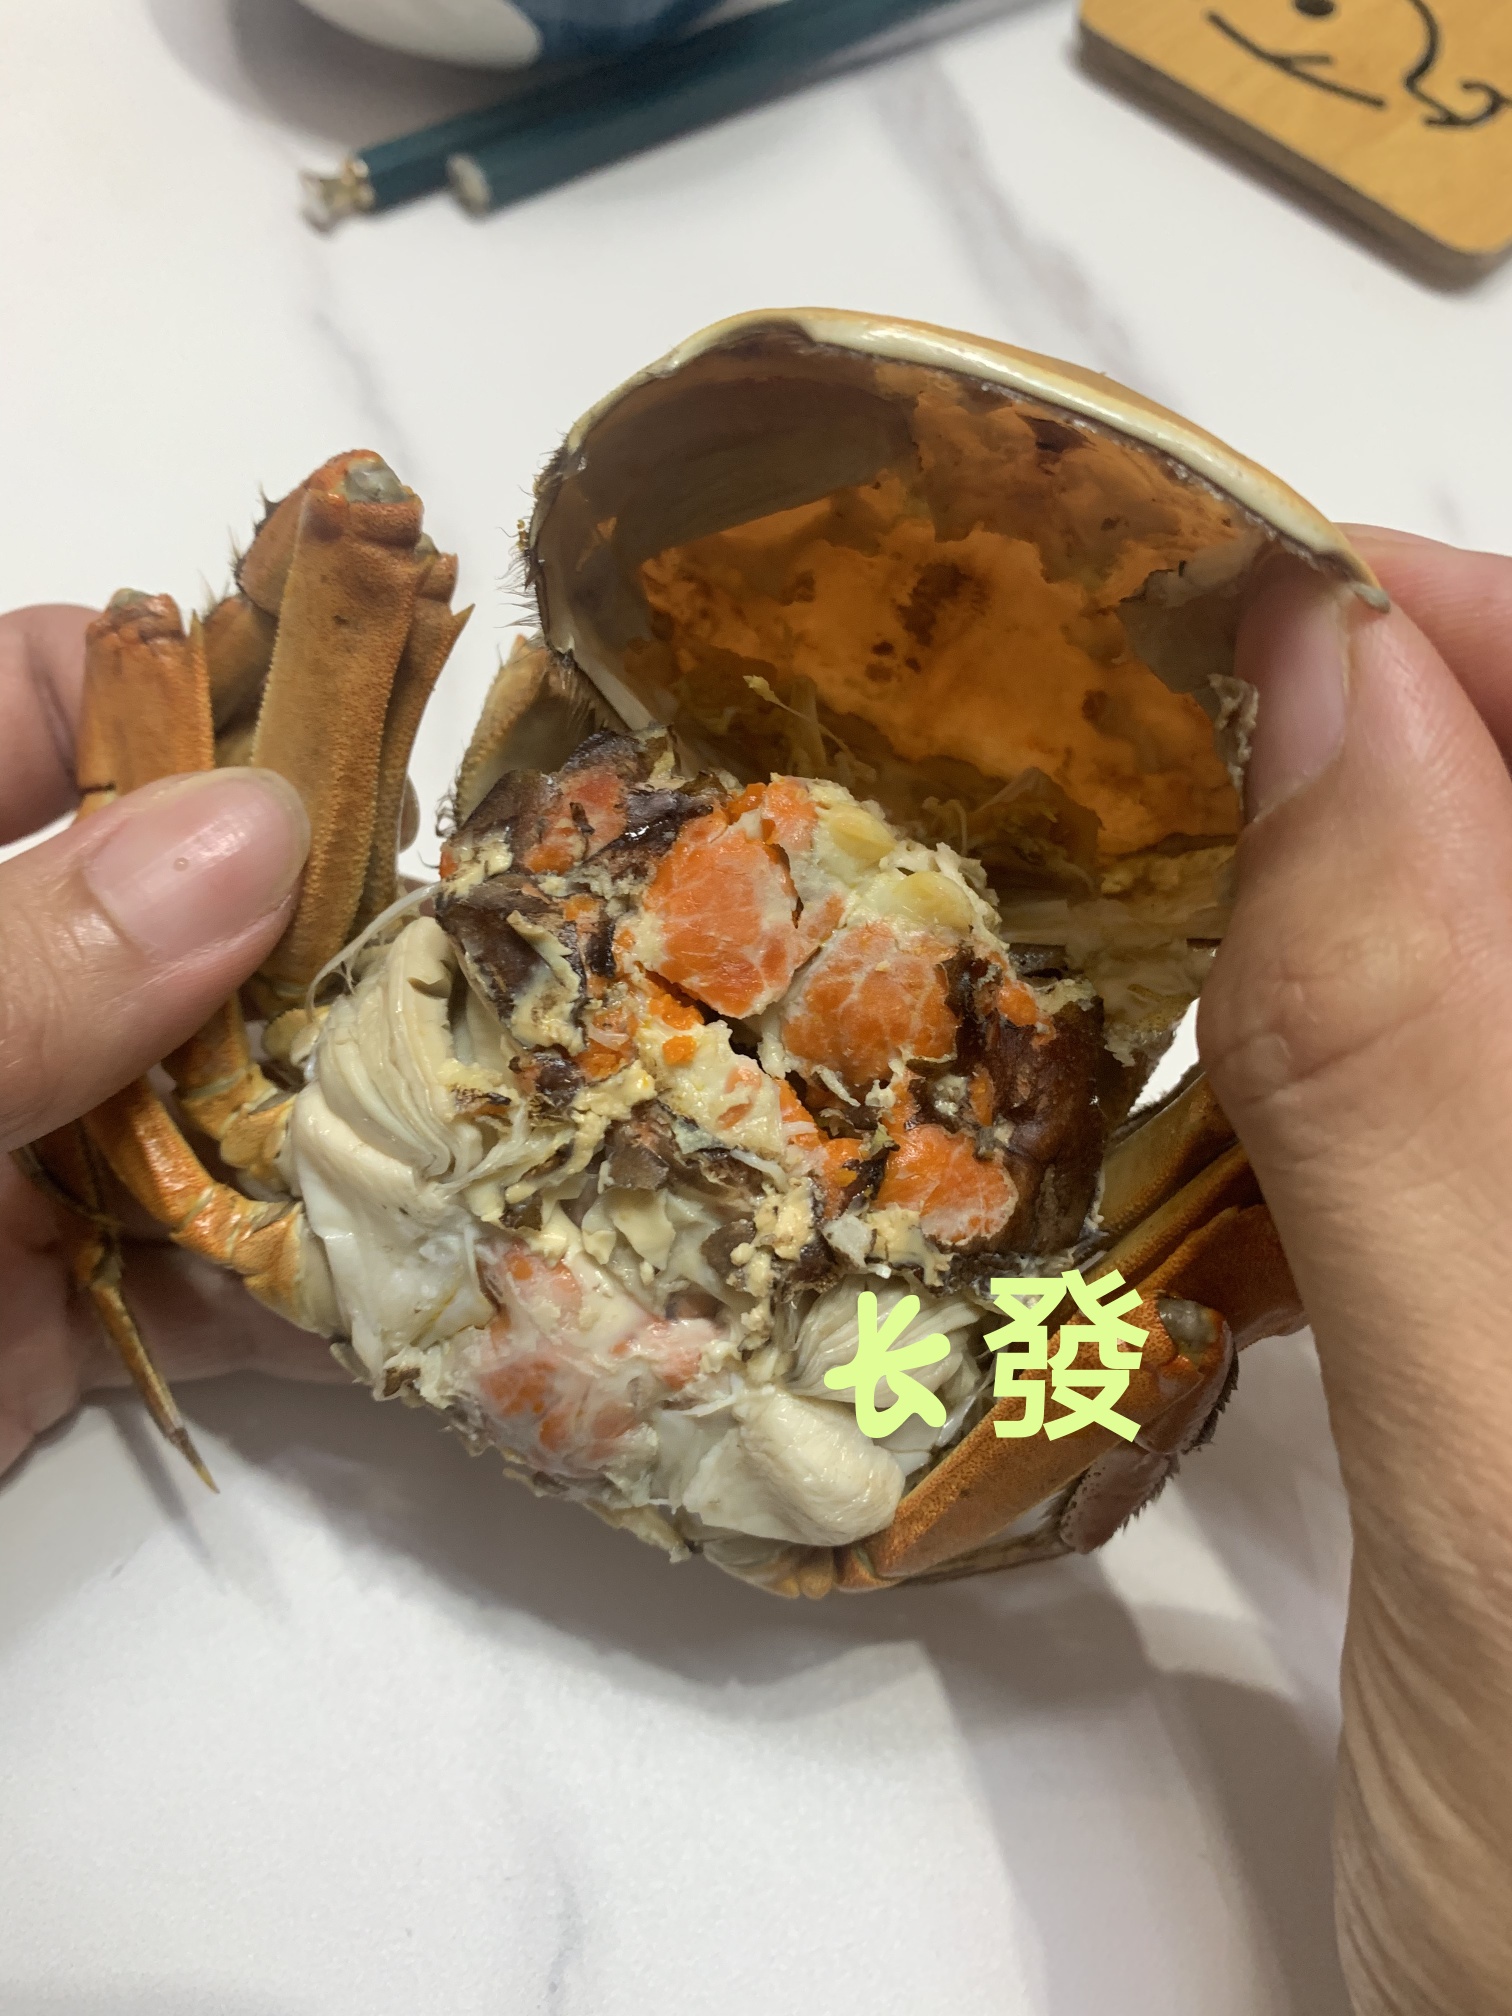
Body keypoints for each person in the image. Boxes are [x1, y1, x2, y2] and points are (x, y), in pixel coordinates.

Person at [0, 538, 1507, 2009]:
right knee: (338, 545)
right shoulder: (309, 1105)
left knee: (1168, 1307)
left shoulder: (901, 1400)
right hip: (785, 1424)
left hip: (825, 1421)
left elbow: (1145, 1341)